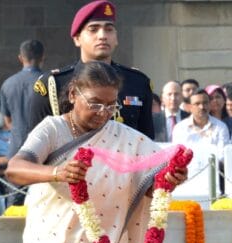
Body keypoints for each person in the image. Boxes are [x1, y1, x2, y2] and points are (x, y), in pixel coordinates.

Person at [6, 61, 187, 243]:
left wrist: (169, 180)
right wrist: (57, 172)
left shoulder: (125, 137)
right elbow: (15, 168)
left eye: (111, 106)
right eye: (95, 103)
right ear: (73, 94)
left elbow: (147, 186)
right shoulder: (53, 129)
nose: (103, 113)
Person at [28, 0, 154, 139]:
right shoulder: (52, 85)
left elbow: (147, 142)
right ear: (77, 39)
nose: (102, 36)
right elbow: (35, 146)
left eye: (109, 29)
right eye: (93, 29)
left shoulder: (138, 82)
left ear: (116, 38)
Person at [1, 39, 44, 159]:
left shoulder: (7, 83)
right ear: (43, 57)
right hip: (42, 146)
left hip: (16, 147)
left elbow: (7, 121)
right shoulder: (49, 81)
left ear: (20, 58)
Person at [171, 88, 232, 159]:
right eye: (197, 104)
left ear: (209, 104)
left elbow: (222, 156)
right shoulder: (180, 128)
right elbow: (177, 155)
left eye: (205, 103)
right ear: (190, 107)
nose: (202, 107)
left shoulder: (220, 127)